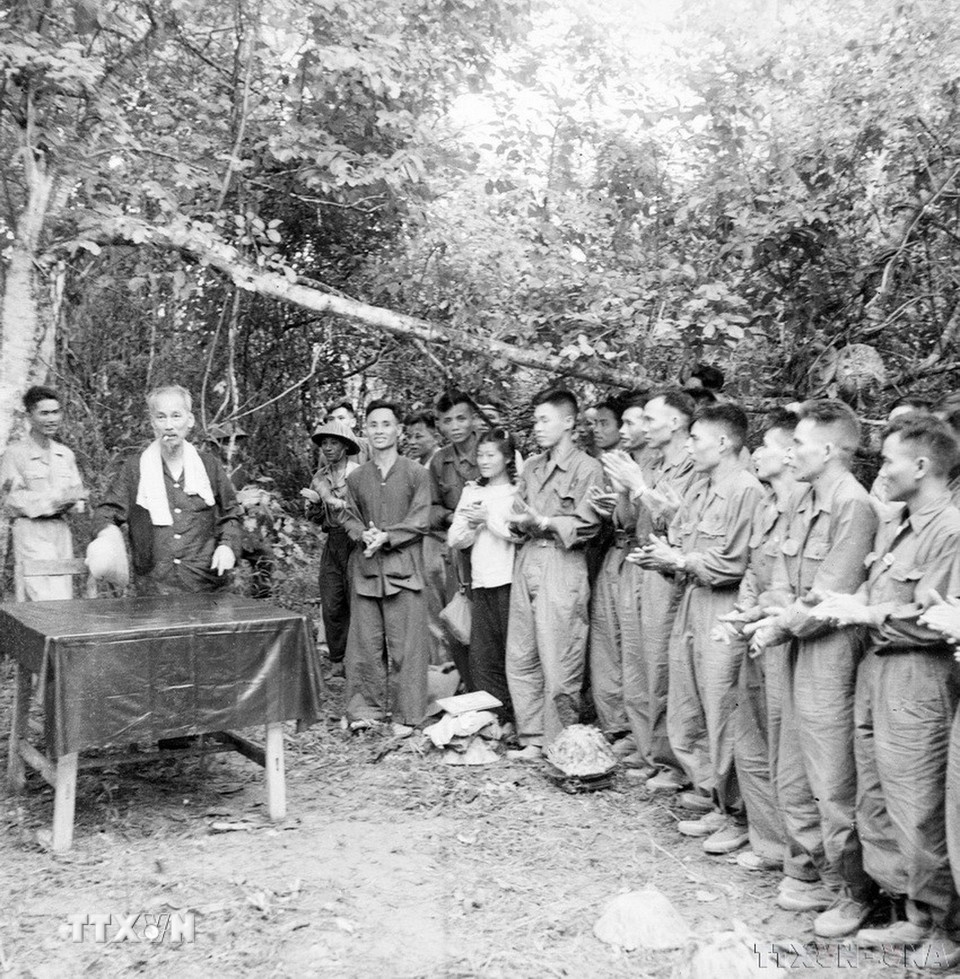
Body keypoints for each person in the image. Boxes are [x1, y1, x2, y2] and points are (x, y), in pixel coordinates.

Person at [806, 417, 960, 961]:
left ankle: (943, 926)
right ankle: (899, 906)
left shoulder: (950, 530)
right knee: (874, 794)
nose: (882, 469)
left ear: (921, 466)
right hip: (877, 666)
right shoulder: (900, 523)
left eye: (890, 459)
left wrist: (865, 611)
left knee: (919, 804)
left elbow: (933, 618)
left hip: (919, 675)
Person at [747, 399, 878, 937]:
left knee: (831, 774)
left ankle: (854, 892)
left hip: (830, 650)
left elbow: (831, 593)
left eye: (798, 442)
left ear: (827, 450)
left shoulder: (855, 505)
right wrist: (762, 609)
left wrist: (776, 624)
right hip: (795, 641)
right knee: (792, 764)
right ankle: (814, 872)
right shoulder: (805, 499)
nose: (789, 450)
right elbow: (784, 574)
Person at [632, 403, 763, 856]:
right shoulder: (706, 487)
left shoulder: (745, 489)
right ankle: (716, 799)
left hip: (722, 605)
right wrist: (664, 555)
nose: (689, 446)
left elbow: (733, 562)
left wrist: (681, 560)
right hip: (693, 599)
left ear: (723, 443)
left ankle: (739, 813)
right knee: (692, 704)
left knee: (722, 708)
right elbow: (687, 544)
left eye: (696, 439)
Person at [713, 409, 813, 878]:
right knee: (751, 742)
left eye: (765, 446)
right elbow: (754, 570)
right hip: (756, 636)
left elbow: (800, 585)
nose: (756, 454)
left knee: (788, 754)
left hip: (785, 639)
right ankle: (769, 841)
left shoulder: (807, 506)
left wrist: (762, 614)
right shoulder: (769, 505)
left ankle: (803, 859)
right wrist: (744, 612)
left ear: (790, 454)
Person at [504, 388, 604, 760]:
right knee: (521, 652)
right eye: (535, 420)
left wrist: (542, 520)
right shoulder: (531, 467)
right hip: (527, 557)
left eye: (545, 419)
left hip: (563, 562)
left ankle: (559, 740)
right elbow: (518, 516)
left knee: (560, 657)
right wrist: (516, 522)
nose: (537, 427)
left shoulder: (588, 468)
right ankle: (531, 736)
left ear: (569, 422)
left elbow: (588, 527)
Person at [611, 389, 698, 781]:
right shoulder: (654, 462)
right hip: (642, 566)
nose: (643, 426)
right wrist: (623, 488)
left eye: (650, 418)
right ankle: (649, 750)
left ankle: (671, 762)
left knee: (663, 667)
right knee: (638, 663)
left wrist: (640, 487)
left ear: (676, 422)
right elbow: (630, 521)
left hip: (670, 573)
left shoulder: (694, 465)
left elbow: (680, 521)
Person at [91, 385, 241, 595]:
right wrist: (107, 536)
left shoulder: (209, 466)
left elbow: (231, 514)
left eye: (176, 416)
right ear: (153, 423)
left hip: (206, 585)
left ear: (190, 421)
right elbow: (105, 513)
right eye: (161, 417)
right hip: (154, 587)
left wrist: (227, 546)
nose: (169, 426)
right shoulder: (135, 469)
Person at [340, 400, 431, 726]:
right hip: (366, 571)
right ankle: (365, 714)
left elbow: (421, 519)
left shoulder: (416, 474)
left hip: (404, 572)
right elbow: (348, 517)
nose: (379, 431)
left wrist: (387, 536)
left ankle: (408, 717)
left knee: (408, 649)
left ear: (398, 430)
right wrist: (363, 534)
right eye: (373, 425)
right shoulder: (356, 478)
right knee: (365, 648)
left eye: (386, 424)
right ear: (365, 430)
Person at [585, 392, 649, 753]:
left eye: (629, 423)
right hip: (617, 553)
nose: (624, 431)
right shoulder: (622, 462)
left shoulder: (655, 464)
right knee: (609, 643)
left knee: (636, 649)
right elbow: (624, 519)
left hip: (642, 558)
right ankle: (618, 728)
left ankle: (641, 737)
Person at [448, 428, 521, 723]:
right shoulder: (472, 491)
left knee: (513, 653)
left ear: (506, 458)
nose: (485, 460)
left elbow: (518, 535)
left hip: (510, 580)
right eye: (480, 454)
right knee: (483, 655)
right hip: (481, 581)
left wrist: (488, 519)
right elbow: (455, 539)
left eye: (491, 455)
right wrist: (472, 524)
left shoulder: (518, 491)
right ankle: (494, 717)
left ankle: (519, 717)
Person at [0, 385, 87, 600]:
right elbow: (12, 499)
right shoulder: (15, 454)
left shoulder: (64, 454)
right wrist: (53, 501)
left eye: (56, 412)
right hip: (31, 531)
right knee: (45, 597)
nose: (51, 419)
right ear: (29, 416)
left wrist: (72, 500)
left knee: (64, 594)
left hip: (60, 530)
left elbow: (78, 497)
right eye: (44, 413)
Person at [429, 390, 481, 685]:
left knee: (491, 622)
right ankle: (469, 685)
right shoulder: (439, 461)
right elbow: (430, 509)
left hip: (493, 548)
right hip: (457, 556)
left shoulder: (493, 450)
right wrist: (452, 517)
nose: (456, 426)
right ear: (441, 425)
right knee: (457, 619)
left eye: (462, 418)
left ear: (473, 418)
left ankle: (494, 692)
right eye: (448, 421)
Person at [304, 420, 362, 676]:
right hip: (333, 542)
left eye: (333, 442)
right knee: (332, 601)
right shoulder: (320, 477)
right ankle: (338, 662)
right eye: (324, 443)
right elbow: (315, 518)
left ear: (346, 446)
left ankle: (359, 661)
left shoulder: (359, 474)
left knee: (357, 600)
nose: (327, 448)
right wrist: (316, 506)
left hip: (356, 541)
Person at [404, 409, 446, 665]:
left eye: (419, 435)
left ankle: (446, 672)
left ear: (435, 434)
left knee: (440, 614)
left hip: (438, 545)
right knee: (427, 614)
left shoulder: (441, 464)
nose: (412, 441)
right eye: (409, 436)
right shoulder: (417, 466)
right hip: (420, 546)